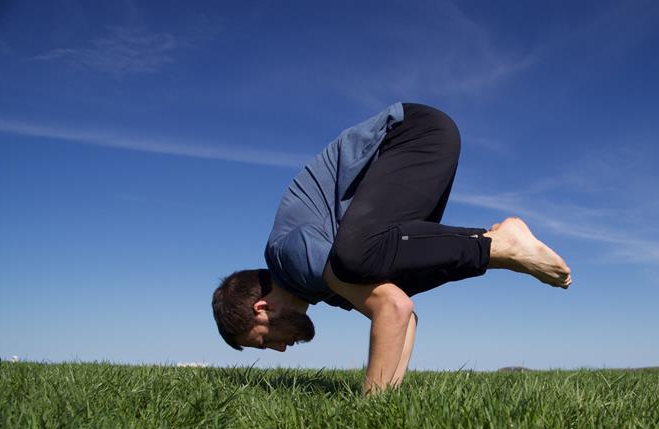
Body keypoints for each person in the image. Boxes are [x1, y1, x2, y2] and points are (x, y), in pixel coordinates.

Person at [212, 103, 571, 393]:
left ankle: (499, 244)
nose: (277, 350)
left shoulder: (288, 258)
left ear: (262, 309)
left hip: (410, 134)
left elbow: (392, 306)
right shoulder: (318, 286)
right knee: (386, 277)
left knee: (354, 260)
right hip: (422, 145)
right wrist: (386, 402)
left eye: (263, 341)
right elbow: (400, 312)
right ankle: (495, 246)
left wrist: (368, 411)